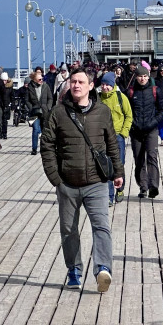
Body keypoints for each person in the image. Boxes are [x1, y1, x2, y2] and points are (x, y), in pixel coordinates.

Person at [40, 68, 124, 292]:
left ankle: (103, 268)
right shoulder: (58, 113)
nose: (76, 85)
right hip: (67, 182)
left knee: (101, 226)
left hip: (96, 182)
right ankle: (74, 269)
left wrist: (118, 172)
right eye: (73, 82)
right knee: (69, 229)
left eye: (81, 82)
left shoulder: (102, 112)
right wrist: (55, 178)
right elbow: (47, 145)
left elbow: (112, 144)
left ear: (90, 85)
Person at [127, 65, 163, 199]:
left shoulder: (155, 91)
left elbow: (162, 110)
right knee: (139, 160)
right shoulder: (131, 92)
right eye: (140, 76)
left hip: (151, 129)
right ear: (136, 77)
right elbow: (127, 111)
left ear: (148, 76)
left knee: (152, 156)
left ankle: (153, 186)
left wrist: (153, 122)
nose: (142, 79)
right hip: (136, 130)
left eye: (144, 76)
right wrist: (132, 124)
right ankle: (143, 186)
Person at [98, 72, 133, 206]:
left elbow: (129, 115)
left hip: (118, 136)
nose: (105, 87)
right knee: (106, 165)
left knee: (119, 164)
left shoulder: (120, 97)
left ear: (113, 85)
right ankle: (109, 196)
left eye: (107, 85)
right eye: (103, 84)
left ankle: (120, 190)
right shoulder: (98, 98)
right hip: (102, 137)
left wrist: (124, 133)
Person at [24, 66, 55, 156]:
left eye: (41, 79)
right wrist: (31, 107)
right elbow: (27, 100)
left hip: (45, 111)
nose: (41, 80)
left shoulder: (45, 86)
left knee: (44, 130)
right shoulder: (30, 88)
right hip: (34, 111)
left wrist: (48, 107)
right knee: (35, 129)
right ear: (34, 80)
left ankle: (44, 147)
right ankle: (34, 148)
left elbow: (50, 98)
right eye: (39, 79)